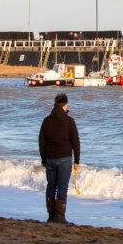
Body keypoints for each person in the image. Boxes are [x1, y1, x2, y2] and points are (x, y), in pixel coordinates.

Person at [39, 93, 81, 224]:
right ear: (65, 105)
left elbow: (41, 141)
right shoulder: (69, 121)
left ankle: (51, 216)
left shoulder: (46, 120)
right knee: (62, 187)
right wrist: (77, 160)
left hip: (50, 158)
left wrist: (43, 159)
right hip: (65, 158)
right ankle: (60, 217)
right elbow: (75, 141)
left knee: (51, 186)